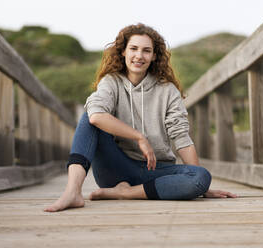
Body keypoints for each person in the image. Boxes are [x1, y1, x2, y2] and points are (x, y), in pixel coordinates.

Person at [44, 23, 236, 212]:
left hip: (156, 173)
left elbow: (181, 138)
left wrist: (201, 187)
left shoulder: (168, 90)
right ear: (123, 52)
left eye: (146, 51)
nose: (139, 55)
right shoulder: (111, 82)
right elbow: (96, 117)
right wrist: (138, 137)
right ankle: (72, 192)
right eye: (133, 48)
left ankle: (125, 193)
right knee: (89, 116)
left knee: (201, 176)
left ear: (154, 56)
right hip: (116, 170)